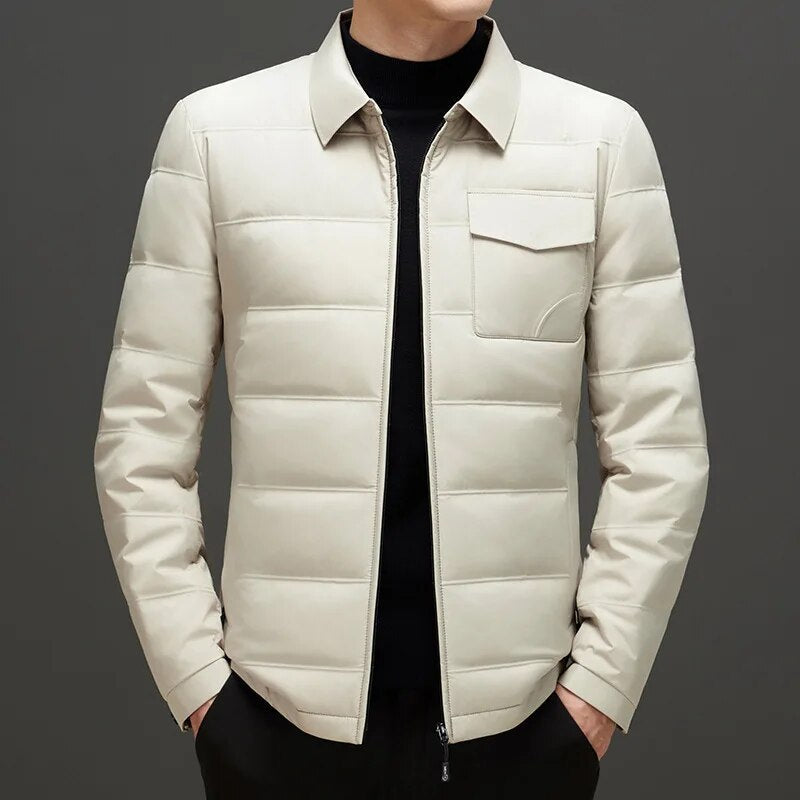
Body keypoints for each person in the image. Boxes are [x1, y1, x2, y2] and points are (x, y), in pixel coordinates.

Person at [93, 2, 709, 797]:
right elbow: (141, 442)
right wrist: (201, 691)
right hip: (276, 735)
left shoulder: (599, 143)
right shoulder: (215, 138)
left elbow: (660, 450)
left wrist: (596, 693)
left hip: (523, 740)